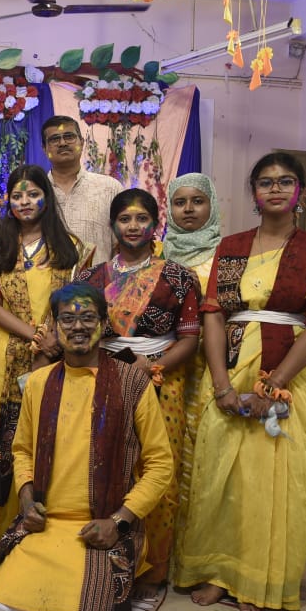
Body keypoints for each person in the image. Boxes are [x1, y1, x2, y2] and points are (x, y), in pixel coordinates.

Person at [176, 153, 306, 611]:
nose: (275, 189)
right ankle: (218, 572)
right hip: (229, 368)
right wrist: (221, 385)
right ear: (253, 194)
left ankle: (260, 578)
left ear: (301, 192)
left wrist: (273, 385)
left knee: (274, 478)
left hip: (289, 374)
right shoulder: (232, 247)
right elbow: (214, 314)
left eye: (285, 181)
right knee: (220, 474)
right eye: (265, 182)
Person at [0, 284, 174, 611]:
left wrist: (118, 521)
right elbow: (21, 450)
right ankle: (62, 587)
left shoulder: (133, 382)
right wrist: (26, 501)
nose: (78, 327)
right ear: (55, 327)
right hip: (47, 527)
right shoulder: (39, 383)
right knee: (0, 610)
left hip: (101, 530)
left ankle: (89, 589)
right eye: (67, 319)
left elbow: (160, 465)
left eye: (88, 317)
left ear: (103, 322)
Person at [76, 188, 202, 585]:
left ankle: (153, 564)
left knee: (157, 466)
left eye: (141, 218)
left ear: (155, 225)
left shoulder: (179, 277)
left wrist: (154, 366)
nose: (133, 226)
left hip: (161, 380)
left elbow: (190, 338)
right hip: (100, 377)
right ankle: (102, 556)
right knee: (104, 463)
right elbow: (78, 332)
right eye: (125, 219)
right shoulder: (89, 277)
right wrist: (118, 364)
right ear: (113, 225)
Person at [0, 164, 85, 517]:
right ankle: (3, 524)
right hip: (9, 356)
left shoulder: (71, 247)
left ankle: (52, 515)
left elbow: (80, 301)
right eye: (17, 196)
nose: (25, 202)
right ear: (7, 201)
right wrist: (38, 337)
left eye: (33, 194)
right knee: (6, 436)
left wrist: (54, 339)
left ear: (47, 197)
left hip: (61, 352)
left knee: (54, 433)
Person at [160, 173, 223, 530]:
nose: (188, 209)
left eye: (198, 201)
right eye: (179, 202)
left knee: (205, 447)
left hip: (210, 366)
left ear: (212, 206)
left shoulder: (226, 255)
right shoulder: (158, 253)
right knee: (167, 449)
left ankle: (199, 541)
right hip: (167, 365)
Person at [40, 115, 121, 267]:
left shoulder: (110, 188)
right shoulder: (37, 193)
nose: (62, 143)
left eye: (69, 137)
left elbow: (121, 246)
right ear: (45, 149)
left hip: (99, 281)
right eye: (55, 139)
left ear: (82, 142)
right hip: (46, 281)